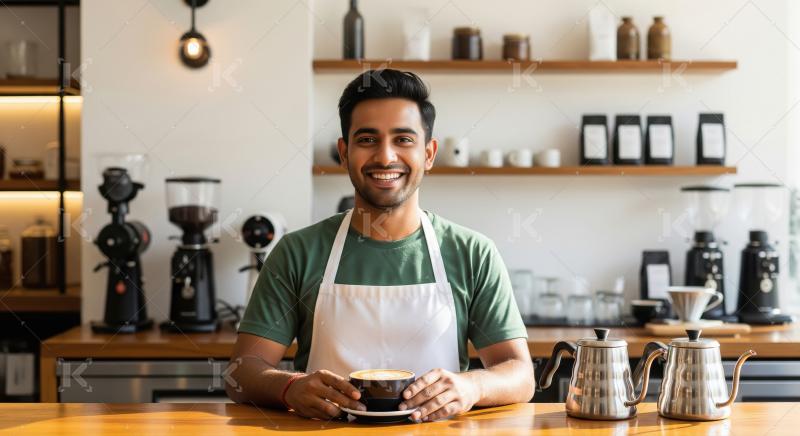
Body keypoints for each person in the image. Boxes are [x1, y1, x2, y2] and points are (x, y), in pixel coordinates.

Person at [226, 69, 534, 422]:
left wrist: (472, 387)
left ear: (429, 153)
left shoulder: (473, 253)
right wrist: (289, 387)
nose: (386, 157)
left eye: (403, 139)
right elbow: (241, 373)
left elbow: (521, 374)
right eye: (367, 140)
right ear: (344, 153)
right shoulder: (297, 252)